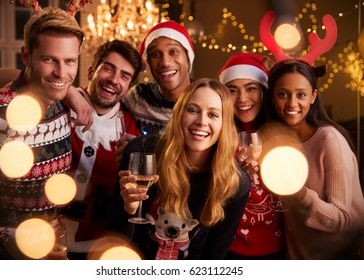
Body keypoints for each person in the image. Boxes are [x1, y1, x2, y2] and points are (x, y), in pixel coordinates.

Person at [0, 6, 85, 259]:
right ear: (26, 57)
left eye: (70, 61)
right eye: (49, 59)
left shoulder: (59, 104)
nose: (61, 73)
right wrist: (14, 250)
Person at [116, 78, 251, 259]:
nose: (202, 121)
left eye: (213, 115)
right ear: (179, 114)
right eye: (193, 110)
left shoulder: (236, 183)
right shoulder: (142, 153)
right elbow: (115, 239)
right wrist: (129, 209)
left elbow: (214, 257)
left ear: (224, 124)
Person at [265, 58, 364, 259]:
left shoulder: (330, 140)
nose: (292, 103)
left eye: (301, 94)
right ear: (273, 97)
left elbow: (342, 220)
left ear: (313, 96)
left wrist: (300, 194)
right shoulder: (276, 142)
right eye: (283, 94)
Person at [62, 40, 142, 259]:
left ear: (128, 88)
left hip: (99, 246)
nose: (114, 80)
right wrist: (67, 90)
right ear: (91, 71)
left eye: (124, 76)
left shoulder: (131, 128)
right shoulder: (60, 103)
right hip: (46, 238)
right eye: (108, 68)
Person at [218, 52, 286, 259]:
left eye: (251, 88)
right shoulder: (217, 135)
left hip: (279, 249)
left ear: (264, 91)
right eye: (232, 90)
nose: (242, 99)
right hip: (231, 249)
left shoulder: (283, 131)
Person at [121, 20, 194, 135]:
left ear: (188, 58)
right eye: (155, 54)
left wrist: (143, 144)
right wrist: (81, 95)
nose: (165, 62)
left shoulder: (207, 99)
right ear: (149, 62)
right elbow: (103, 106)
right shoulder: (137, 98)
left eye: (173, 51)